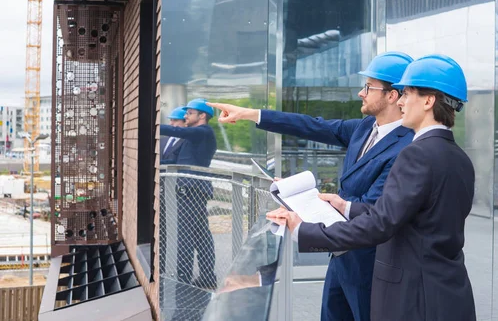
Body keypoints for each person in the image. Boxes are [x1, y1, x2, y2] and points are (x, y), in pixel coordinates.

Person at [268, 54, 476, 321]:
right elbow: (416, 216)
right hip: (449, 292)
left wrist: (304, 230)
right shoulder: (459, 158)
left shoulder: (416, 155)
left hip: (413, 296)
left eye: (407, 94)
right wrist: (346, 206)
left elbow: (380, 223)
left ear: (428, 101)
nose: (401, 101)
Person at [209, 51, 415, 321]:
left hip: (371, 265)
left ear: (393, 95)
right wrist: (251, 114)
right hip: (341, 258)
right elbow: (312, 126)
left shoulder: (407, 146)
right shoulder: (365, 128)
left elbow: (374, 211)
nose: (360, 93)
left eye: (368, 87)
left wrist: (306, 207)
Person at [159, 98, 218, 318]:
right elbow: (172, 160)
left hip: (191, 189)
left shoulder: (203, 132)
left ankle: (183, 279)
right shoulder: (194, 137)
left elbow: (178, 132)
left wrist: (152, 126)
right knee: (201, 234)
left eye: (190, 113)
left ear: (201, 115)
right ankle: (207, 276)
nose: (186, 117)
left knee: (186, 235)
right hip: (190, 188)